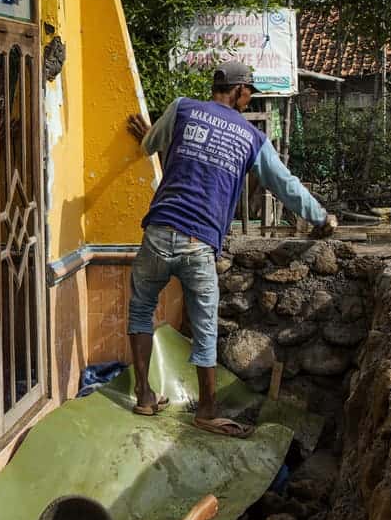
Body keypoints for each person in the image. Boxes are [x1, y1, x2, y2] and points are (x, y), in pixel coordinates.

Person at [126, 61, 335, 437]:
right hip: (199, 243)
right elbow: (284, 185)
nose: (250, 97)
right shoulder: (252, 138)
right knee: (205, 328)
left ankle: (143, 395)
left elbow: (148, 145)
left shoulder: (181, 108)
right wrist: (320, 218)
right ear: (239, 90)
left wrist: (148, 138)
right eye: (250, 91)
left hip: (157, 231)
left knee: (141, 310)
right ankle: (207, 410)